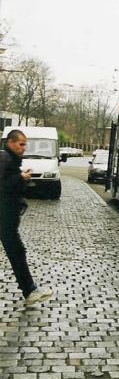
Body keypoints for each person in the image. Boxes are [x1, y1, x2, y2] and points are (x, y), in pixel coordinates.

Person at [0, 130, 53, 307]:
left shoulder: (9, 159)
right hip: (4, 217)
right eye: (20, 144)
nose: (23, 148)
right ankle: (29, 291)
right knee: (17, 252)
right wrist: (20, 178)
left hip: (7, 217)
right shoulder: (5, 159)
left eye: (24, 144)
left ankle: (29, 290)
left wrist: (21, 178)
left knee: (17, 252)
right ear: (10, 142)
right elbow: (3, 186)